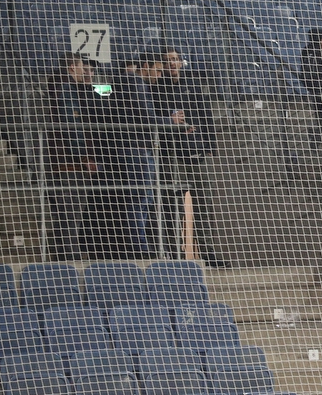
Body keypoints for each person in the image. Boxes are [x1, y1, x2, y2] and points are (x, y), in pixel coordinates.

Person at [154, 47, 224, 267]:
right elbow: (153, 118)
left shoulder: (193, 86)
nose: (173, 64)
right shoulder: (156, 90)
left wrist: (210, 144)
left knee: (204, 204)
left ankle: (207, 250)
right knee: (170, 205)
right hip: (172, 155)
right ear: (162, 65)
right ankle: (173, 252)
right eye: (168, 61)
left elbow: (206, 116)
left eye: (175, 59)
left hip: (197, 153)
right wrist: (170, 121)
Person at [113, 51, 180, 257]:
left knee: (143, 199)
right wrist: (171, 121)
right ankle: (139, 248)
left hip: (134, 148)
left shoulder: (129, 83)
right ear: (146, 66)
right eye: (158, 70)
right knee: (140, 199)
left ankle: (139, 246)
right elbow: (146, 118)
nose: (160, 75)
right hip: (136, 149)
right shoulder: (135, 83)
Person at [44, 52, 100, 260]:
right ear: (71, 67)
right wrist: (84, 157)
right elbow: (72, 128)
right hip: (70, 166)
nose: (85, 70)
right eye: (81, 66)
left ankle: (64, 258)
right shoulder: (66, 89)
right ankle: (70, 261)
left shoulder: (59, 88)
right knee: (70, 216)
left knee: (65, 217)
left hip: (62, 163)